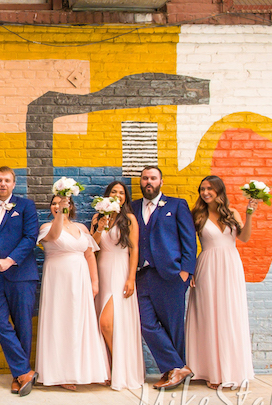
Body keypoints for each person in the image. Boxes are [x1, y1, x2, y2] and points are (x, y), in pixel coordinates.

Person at [186, 175, 258, 389]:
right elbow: (189, 245)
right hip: (207, 265)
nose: (205, 192)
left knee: (230, 315)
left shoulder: (232, 213)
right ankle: (212, 371)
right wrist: (190, 272)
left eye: (209, 188)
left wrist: (249, 215)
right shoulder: (197, 215)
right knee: (209, 315)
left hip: (231, 265)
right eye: (202, 189)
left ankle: (232, 369)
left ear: (219, 190)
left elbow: (244, 238)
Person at [131, 166, 197, 390]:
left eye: (153, 178)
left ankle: (172, 372)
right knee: (145, 322)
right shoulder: (132, 207)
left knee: (173, 325)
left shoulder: (177, 205)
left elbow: (189, 239)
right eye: (145, 178)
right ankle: (178, 367)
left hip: (171, 275)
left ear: (161, 181)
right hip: (143, 274)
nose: (148, 181)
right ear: (140, 182)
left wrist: (186, 272)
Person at [0, 166, 40, 396]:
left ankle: (19, 377)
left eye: (7, 180)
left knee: (23, 325)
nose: (2, 184)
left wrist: (10, 260)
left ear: (14, 184)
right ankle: (24, 371)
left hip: (22, 275)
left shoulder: (26, 206)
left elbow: (30, 237)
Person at [36, 195, 109, 389]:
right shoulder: (46, 228)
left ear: (71, 205)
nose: (56, 206)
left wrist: (95, 282)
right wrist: (60, 212)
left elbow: (89, 253)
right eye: (53, 204)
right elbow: (54, 236)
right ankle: (62, 374)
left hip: (81, 279)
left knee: (80, 323)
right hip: (58, 281)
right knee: (61, 323)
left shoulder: (82, 229)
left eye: (60, 203)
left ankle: (85, 371)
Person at [90, 181, 144, 390]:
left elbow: (134, 250)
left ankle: (121, 367)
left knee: (107, 323)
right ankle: (109, 367)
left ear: (125, 197)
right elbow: (92, 245)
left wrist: (131, 278)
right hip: (101, 270)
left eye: (121, 193)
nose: (117, 195)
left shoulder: (129, 219)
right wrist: (100, 226)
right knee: (101, 323)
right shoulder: (98, 217)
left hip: (120, 270)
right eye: (113, 191)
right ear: (107, 195)